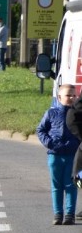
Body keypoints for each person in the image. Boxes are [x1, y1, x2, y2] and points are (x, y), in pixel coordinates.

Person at [37, 84, 80, 225]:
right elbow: (41, 130)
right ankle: (58, 214)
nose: (72, 98)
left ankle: (69, 214)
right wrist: (50, 143)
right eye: (68, 95)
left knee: (71, 185)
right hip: (55, 155)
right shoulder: (51, 113)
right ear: (59, 97)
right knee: (56, 186)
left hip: (73, 156)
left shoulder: (78, 114)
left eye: (74, 95)